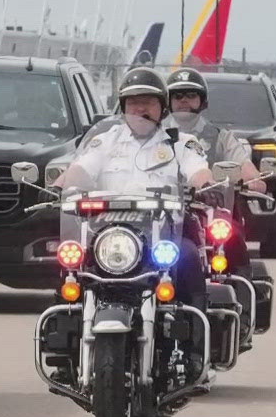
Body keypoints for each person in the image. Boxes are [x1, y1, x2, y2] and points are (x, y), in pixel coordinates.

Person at [52, 67, 220, 309]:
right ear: (123, 107)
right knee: (70, 263)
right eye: (133, 103)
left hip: (164, 233)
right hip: (105, 233)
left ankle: (196, 339)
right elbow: (80, 169)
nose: (140, 109)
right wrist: (60, 188)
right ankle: (67, 327)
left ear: (162, 107)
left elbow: (198, 171)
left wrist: (206, 185)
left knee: (189, 256)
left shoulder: (181, 144)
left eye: (148, 102)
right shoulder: (105, 141)